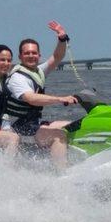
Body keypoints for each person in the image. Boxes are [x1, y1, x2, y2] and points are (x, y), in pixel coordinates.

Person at [6, 20, 78, 169]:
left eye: (34, 53)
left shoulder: (38, 71)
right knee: (59, 136)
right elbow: (31, 98)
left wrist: (62, 38)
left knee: (73, 126)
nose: (31, 56)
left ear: (39, 55)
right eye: (27, 53)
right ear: (20, 57)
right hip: (19, 127)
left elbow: (57, 57)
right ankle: (61, 174)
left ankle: (78, 162)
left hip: (34, 123)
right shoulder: (17, 77)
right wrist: (60, 98)